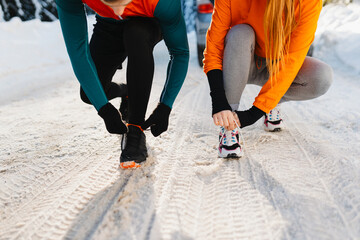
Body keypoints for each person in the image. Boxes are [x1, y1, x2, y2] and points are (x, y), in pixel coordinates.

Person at [56, 0, 189, 168]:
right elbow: (78, 52)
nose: (120, 11)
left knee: (136, 33)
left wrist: (165, 106)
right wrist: (103, 108)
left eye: (124, 2)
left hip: (146, 21)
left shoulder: (162, 3)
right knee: (89, 94)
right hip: (109, 24)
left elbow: (180, 53)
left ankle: (135, 131)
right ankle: (125, 91)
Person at [203, 0, 333, 158]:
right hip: (242, 62)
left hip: (279, 65)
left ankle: (271, 101)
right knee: (240, 33)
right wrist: (219, 101)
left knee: (321, 76)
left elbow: (293, 59)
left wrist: (255, 112)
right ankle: (229, 124)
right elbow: (214, 47)